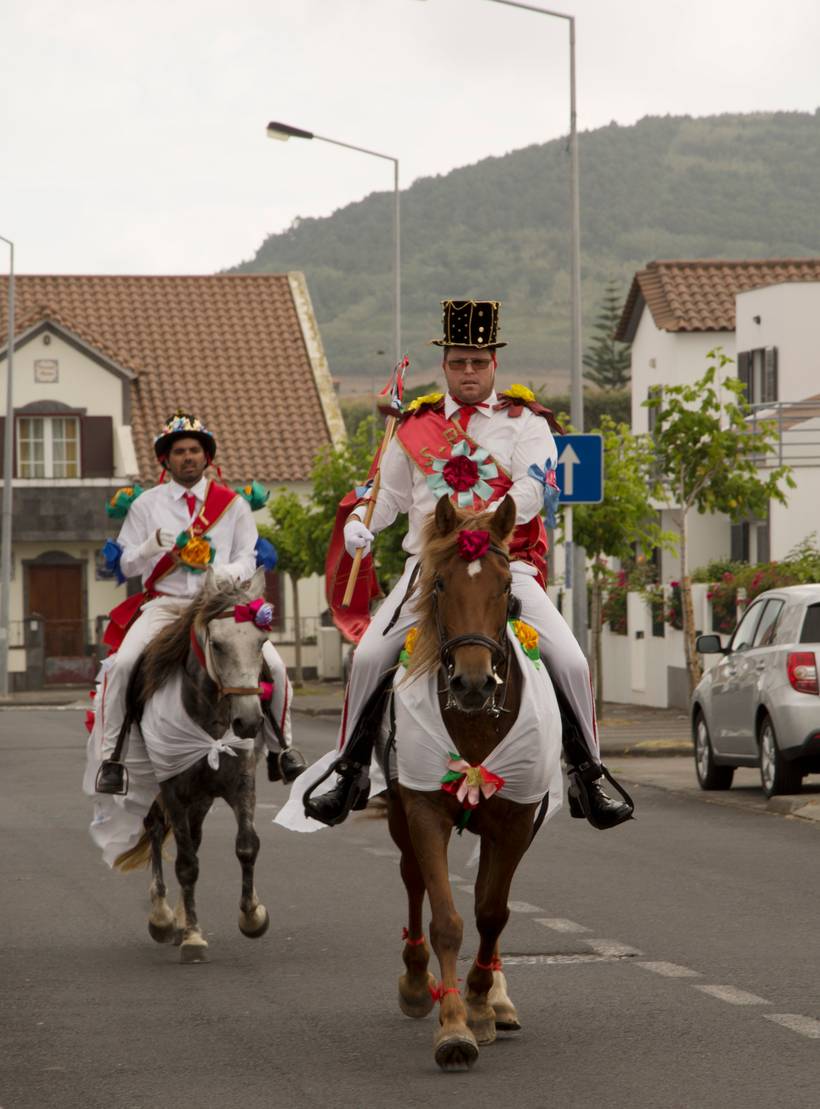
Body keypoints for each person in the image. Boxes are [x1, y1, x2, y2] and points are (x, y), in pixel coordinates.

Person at [307, 300, 632, 830]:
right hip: (429, 570)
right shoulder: (416, 425)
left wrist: (479, 524)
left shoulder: (524, 422)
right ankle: (351, 770)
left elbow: (534, 486)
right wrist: (361, 523)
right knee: (369, 658)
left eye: (478, 363)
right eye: (459, 363)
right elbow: (388, 496)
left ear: (494, 364)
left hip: (506, 564)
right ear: (445, 365)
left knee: (571, 663)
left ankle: (588, 772)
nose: (468, 373)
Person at [94, 411, 295, 794]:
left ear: (207, 457)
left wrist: (219, 572)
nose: (188, 457)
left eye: (194, 450)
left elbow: (250, 557)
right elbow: (124, 563)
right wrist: (152, 544)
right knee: (122, 665)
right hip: (166, 605)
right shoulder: (146, 506)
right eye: (180, 451)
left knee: (275, 667)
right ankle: (113, 759)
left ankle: (281, 750)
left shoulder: (232, 504)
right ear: (166, 460)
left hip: (218, 605)